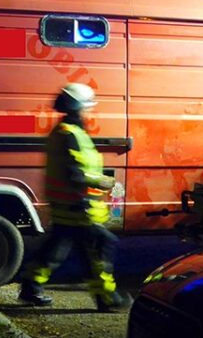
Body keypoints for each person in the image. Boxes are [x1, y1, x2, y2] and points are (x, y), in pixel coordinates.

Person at [18, 83, 131, 311]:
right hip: (78, 206)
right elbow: (75, 173)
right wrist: (102, 181)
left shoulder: (64, 131)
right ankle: (108, 299)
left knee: (56, 249)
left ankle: (30, 287)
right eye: (87, 107)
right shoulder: (70, 134)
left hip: (67, 206)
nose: (88, 111)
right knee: (100, 248)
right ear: (78, 107)